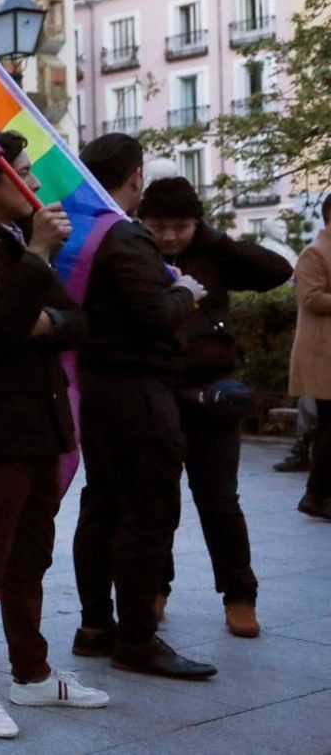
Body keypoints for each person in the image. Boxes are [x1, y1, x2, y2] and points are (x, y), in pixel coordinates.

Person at [0, 131, 110, 739]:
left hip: (41, 422)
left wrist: (41, 313)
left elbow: (77, 321)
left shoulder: (14, 247)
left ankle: (31, 674)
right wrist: (36, 260)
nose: (36, 185)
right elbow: (0, 326)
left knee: (31, 556)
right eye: (24, 173)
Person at [70, 133, 217, 680]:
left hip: (97, 390)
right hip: (138, 393)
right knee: (148, 514)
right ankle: (136, 636)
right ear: (136, 177)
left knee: (102, 505)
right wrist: (186, 291)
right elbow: (154, 314)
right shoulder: (124, 236)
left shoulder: (81, 233)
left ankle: (94, 626)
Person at [140, 177, 292, 637]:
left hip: (213, 397)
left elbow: (277, 272)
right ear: (143, 222)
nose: (169, 236)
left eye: (181, 226)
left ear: (197, 222)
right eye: (159, 226)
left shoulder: (213, 255)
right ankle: (153, 589)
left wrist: (214, 238)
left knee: (220, 502)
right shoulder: (134, 257)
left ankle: (240, 596)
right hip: (159, 394)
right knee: (157, 502)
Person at [290, 195, 331, 520]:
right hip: (323, 353)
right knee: (329, 427)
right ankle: (317, 495)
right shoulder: (315, 252)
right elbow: (312, 298)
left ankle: (317, 494)